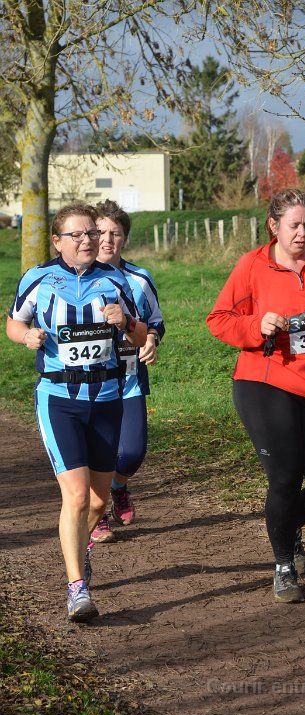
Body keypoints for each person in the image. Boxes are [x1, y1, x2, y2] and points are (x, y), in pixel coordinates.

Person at [206, 188, 305, 603]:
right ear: (273, 226)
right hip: (266, 383)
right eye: (294, 225)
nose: (302, 233)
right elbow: (219, 319)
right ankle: (283, 565)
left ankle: (287, 523)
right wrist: (256, 325)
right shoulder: (253, 265)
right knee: (284, 477)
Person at [6, 203, 147, 622]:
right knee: (78, 495)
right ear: (58, 241)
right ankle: (77, 588)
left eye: (92, 234)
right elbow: (13, 322)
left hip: (107, 397)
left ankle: (78, 549)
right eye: (78, 235)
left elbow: (141, 334)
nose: (88, 241)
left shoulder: (115, 279)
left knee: (98, 501)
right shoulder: (38, 278)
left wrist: (126, 323)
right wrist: (26, 336)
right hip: (59, 397)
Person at [90, 199, 165, 543]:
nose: (107, 240)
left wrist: (150, 339)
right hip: (89, 381)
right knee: (95, 451)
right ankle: (97, 512)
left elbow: (156, 322)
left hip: (129, 375)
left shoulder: (139, 279)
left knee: (132, 452)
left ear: (125, 238)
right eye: (101, 232)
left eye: (115, 233)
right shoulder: (75, 279)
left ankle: (118, 486)